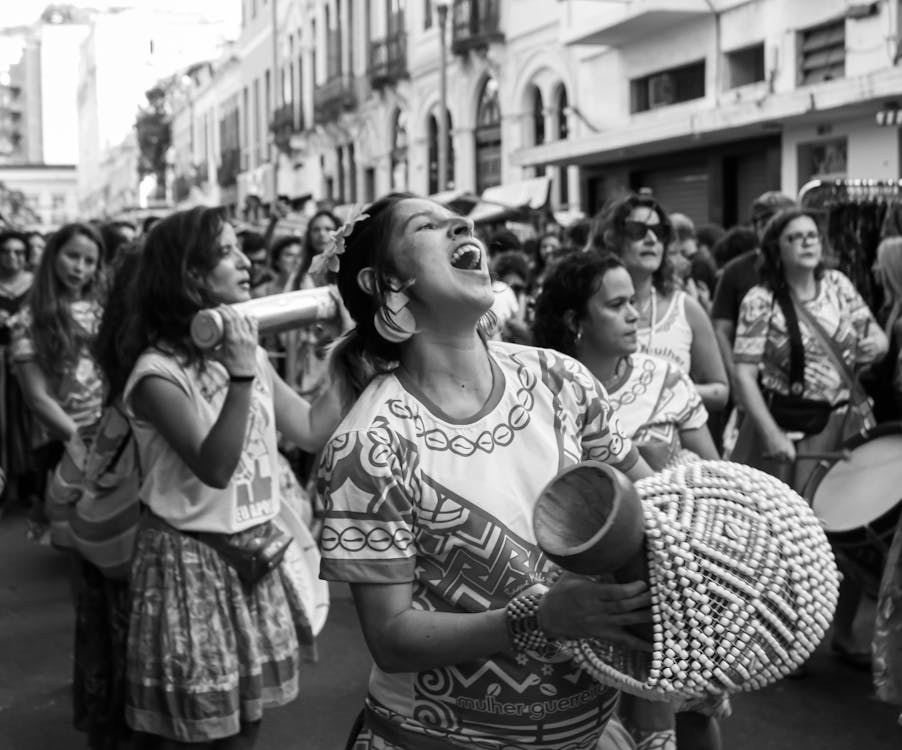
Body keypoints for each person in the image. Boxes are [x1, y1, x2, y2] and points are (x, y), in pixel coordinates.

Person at [318, 192, 658, 750]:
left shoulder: (561, 380)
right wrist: (537, 617)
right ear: (389, 287)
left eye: (458, 220)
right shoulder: (370, 444)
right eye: (428, 226)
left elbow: (652, 505)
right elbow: (392, 638)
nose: (462, 223)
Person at [96, 206, 345, 748]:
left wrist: (346, 350)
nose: (245, 260)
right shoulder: (156, 373)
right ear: (190, 274)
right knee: (209, 730)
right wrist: (238, 374)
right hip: (192, 562)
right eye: (228, 251)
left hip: (255, 551)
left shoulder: (249, 350)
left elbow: (308, 428)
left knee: (249, 718)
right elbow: (214, 467)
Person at [532, 251, 724, 750]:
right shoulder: (537, 391)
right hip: (576, 598)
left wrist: (670, 489)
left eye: (632, 302)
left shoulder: (665, 379)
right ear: (574, 320)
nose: (635, 314)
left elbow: (713, 478)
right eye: (616, 305)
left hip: (667, 587)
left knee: (691, 713)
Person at [731, 208, 886, 672]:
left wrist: (871, 347)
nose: (806, 242)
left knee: (850, 528)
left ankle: (841, 632)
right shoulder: (761, 300)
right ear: (776, 248)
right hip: (795, 430)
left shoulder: (838, 285)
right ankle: (784, 639)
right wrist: (771, 432)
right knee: (792, 538)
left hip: (847, 422)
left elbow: (874, 336)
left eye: (812, 235)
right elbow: (743, 371)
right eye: (794, 236)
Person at [11, 223, 105, 542]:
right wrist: (77, 440)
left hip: (112, 429)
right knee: (74, 537)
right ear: (53, 256)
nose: (80, 268)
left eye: (89, 261)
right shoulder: (28, 321)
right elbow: (37, 398)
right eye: (72, 256)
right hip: (62, 436)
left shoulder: (104, 311)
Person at [597, 194, 728, 413]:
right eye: (637, 230)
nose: (651, 239)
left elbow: (720, 392)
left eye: (659, 232)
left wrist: (663, 388)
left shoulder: (686, 309)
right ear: (613, 238)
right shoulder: (590, 308)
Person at [0, 230, 34, 511]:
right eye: (7, 251)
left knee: (29, 419)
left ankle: (29, 484)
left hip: (31, 363)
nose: (13, 258)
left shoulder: (36, 286)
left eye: (19, 252)